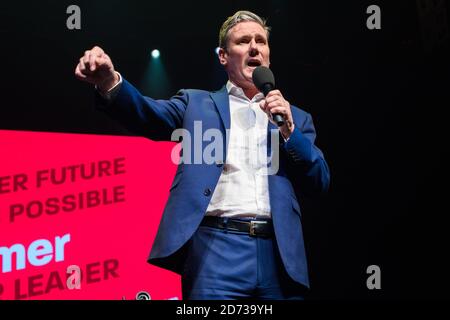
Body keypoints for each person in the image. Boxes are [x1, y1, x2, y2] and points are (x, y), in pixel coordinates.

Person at [75, 10, 330, 300]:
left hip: (279, 254)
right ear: (223, 56)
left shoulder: (296, 118)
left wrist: (289, 131)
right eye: (243, 41)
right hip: (215, 251)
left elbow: (318, 181)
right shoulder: (196, 103)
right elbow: (146, 114)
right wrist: (109, 82)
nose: (254, 47)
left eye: (261, 41)